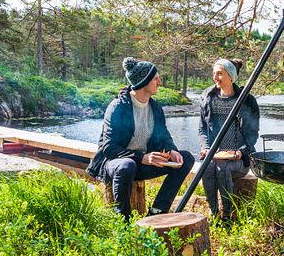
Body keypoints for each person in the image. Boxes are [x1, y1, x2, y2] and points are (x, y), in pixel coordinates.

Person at [86, 57, 195, 220]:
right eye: (155, 78)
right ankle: (124, 220)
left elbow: (163, 135)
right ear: (144, 82)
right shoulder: (118, 107)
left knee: (185, 158)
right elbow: (109, 148)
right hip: (115, 165)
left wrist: (172, 150)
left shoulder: (155, 107)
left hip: (142, 165)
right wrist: (141, 157)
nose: (159, 82)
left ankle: (158, 211)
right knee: (127, 165)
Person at [199, 59, 260, 220]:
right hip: (215, 154)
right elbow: (202, 129)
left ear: (231, 76)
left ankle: (227, 214)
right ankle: (213, 212)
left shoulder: (246, 101)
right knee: (207, 167)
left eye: (219, 73)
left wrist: (240, 152)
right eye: (214, 74)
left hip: (238, 159)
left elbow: (252, 134)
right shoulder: (208, 98)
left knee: (223, 167)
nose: (215, 77)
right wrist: (206, 148)